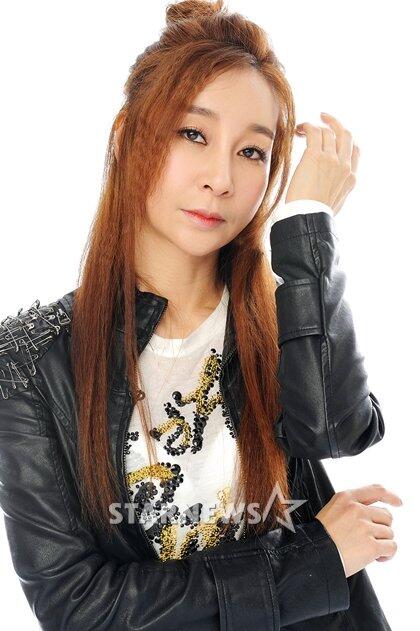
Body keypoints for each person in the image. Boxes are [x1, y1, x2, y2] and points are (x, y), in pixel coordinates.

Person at [0, 1, 402, 629]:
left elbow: (335, 432)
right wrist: (315, 562)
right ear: (126, 137)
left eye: (252, 152)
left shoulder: (281, 313)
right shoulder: (31, 361)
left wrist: (306, 227)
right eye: (193, 134)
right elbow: (76, 606)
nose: (221, 178)